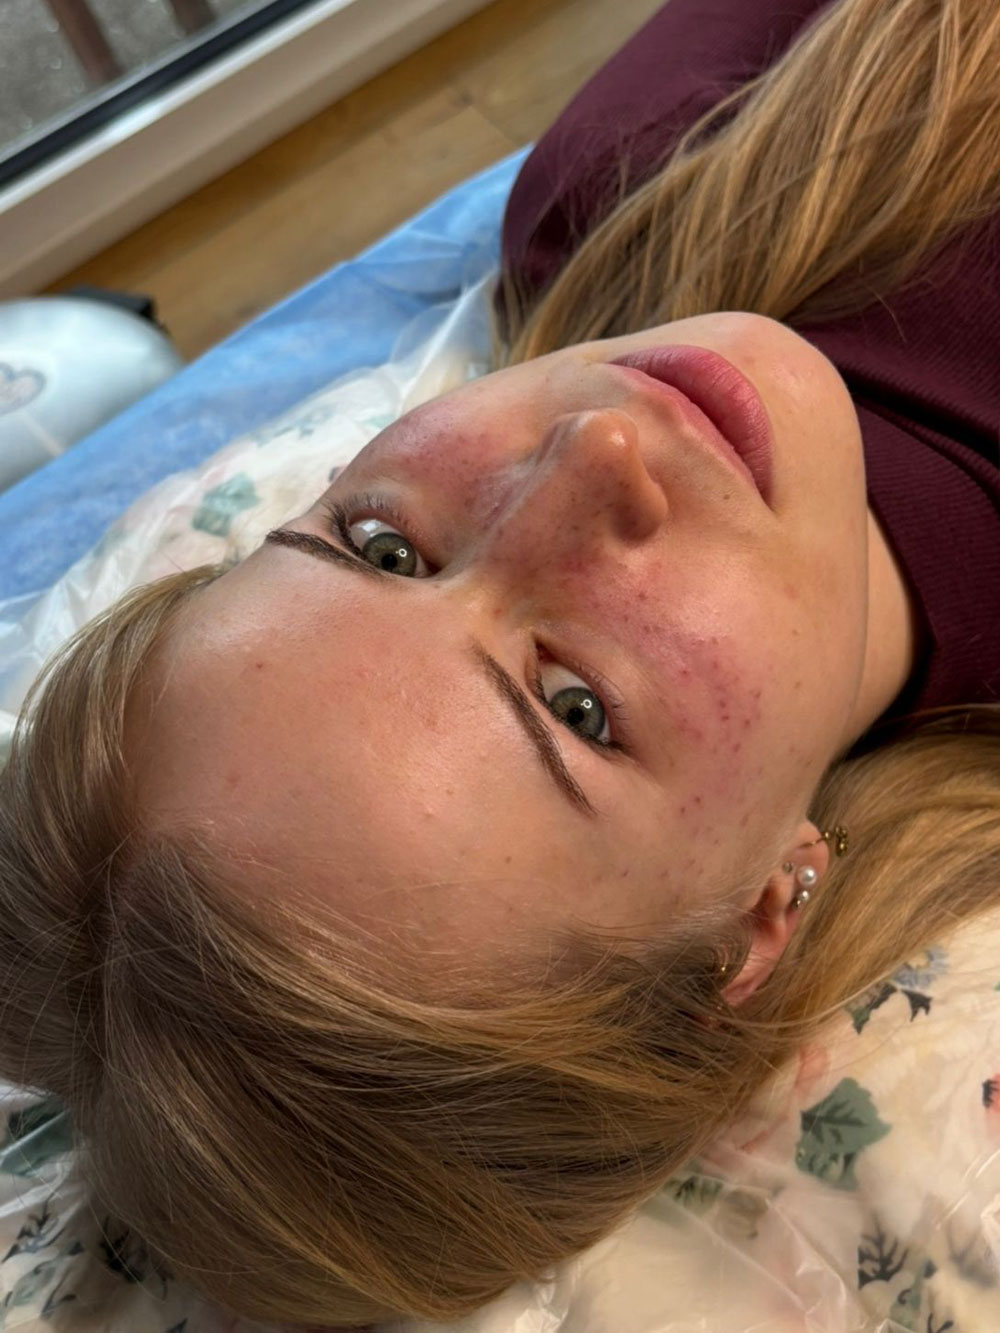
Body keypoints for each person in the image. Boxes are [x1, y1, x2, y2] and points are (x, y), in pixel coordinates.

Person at [0, 0, 997, 1328]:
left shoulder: (616, 194)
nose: (596, 448)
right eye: (577, 708)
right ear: (758, 918)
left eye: (384, 547)